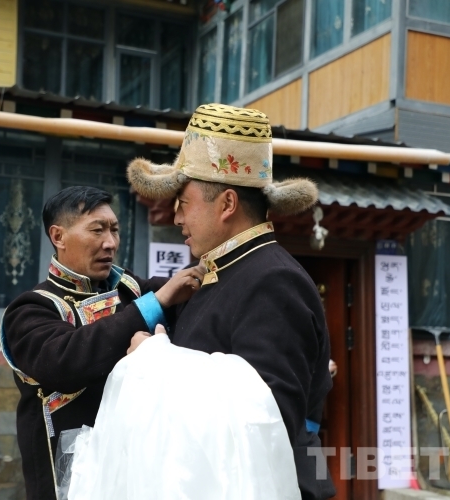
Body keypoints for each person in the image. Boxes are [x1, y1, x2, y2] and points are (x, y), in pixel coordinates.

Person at [127, 103, 336, 499]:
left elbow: (263, 418)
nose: (177, 218)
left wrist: (156, 361)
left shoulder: (274, 281)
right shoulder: (225, 271)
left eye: (184, 203)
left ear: (226, 204)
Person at [0, 186, 204, 500]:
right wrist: (157, 302)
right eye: (97, 230)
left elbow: (185, 296)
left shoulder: (128, 288)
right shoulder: (33, 308)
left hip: (130, 465)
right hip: (70, 477)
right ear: (58, 236)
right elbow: (66, 361)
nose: (110, 242)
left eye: (114, 230)